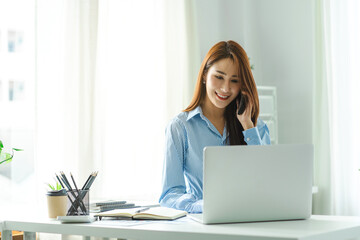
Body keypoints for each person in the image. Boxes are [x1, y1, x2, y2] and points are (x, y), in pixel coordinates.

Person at [159, 40, 271, 213]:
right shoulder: (180, 127)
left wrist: (248, 126)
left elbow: (267, 183)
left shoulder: (257, 127)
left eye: (234, 80)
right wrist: (201, 205)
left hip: (249, 221)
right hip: (202, 224)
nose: (226, 88)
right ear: (204, 75)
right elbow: (169, 194)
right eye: (219, 77)